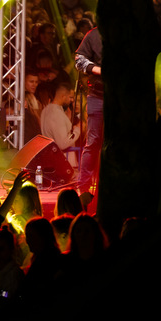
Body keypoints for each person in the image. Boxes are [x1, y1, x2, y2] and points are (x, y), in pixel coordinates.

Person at [74, 27, 104, 204]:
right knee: (93, 142)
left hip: (122, 97)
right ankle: (83, 187)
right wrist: (98, 69)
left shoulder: (128, 32)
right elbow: (79, 61)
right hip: (98, 95)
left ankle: (107, 185)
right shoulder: (94, 34)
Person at [40, 82, 82, 152]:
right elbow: (63, 143)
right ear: (63, 96)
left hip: (52, 154)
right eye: (70, 97)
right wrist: (77, 130)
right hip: (61, 156)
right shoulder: (56, 113)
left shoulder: (46, 110)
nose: (72, 100)